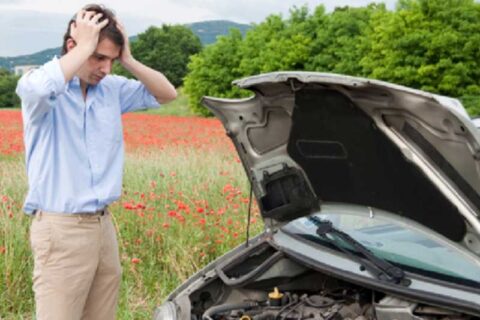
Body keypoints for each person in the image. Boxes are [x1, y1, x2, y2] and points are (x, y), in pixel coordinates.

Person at [15, 4, 177, 319]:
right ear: (73, 46)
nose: (106, 69)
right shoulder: (46, 88)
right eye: (99, 57)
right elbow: (34, 90)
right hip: (61, 228)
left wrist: (127, 58)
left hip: (103, 226)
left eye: (112, 60)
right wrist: (85, 46)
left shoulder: (111, 90)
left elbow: (166, 93)